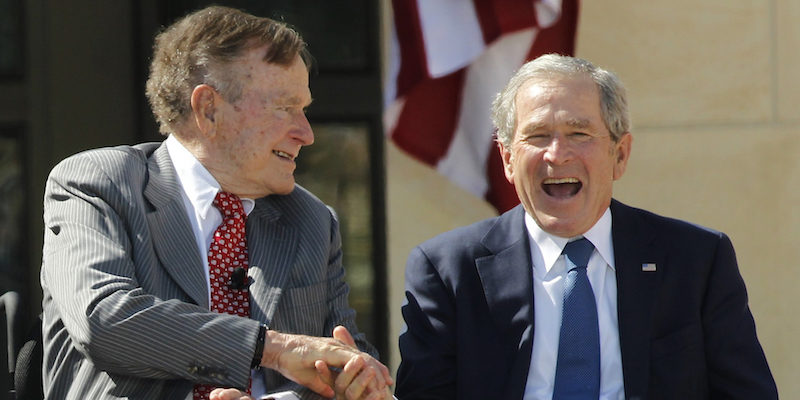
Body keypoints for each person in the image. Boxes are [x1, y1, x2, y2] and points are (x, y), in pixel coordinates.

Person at [40, 6, 391, 400]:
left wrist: (356, 379)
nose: (306, 134)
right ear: (209, 109)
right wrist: (271, 348)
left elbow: (344, 363)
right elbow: (103, 318)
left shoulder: (310, 219)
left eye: (304, 109)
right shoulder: (99, 182)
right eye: (285, 107)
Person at [395, 54, 777, 399]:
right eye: (537, 136)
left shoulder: (695, 261)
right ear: (508, 160)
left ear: (620, 155)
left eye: (579, 134)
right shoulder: (448, 270)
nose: (557, 155)